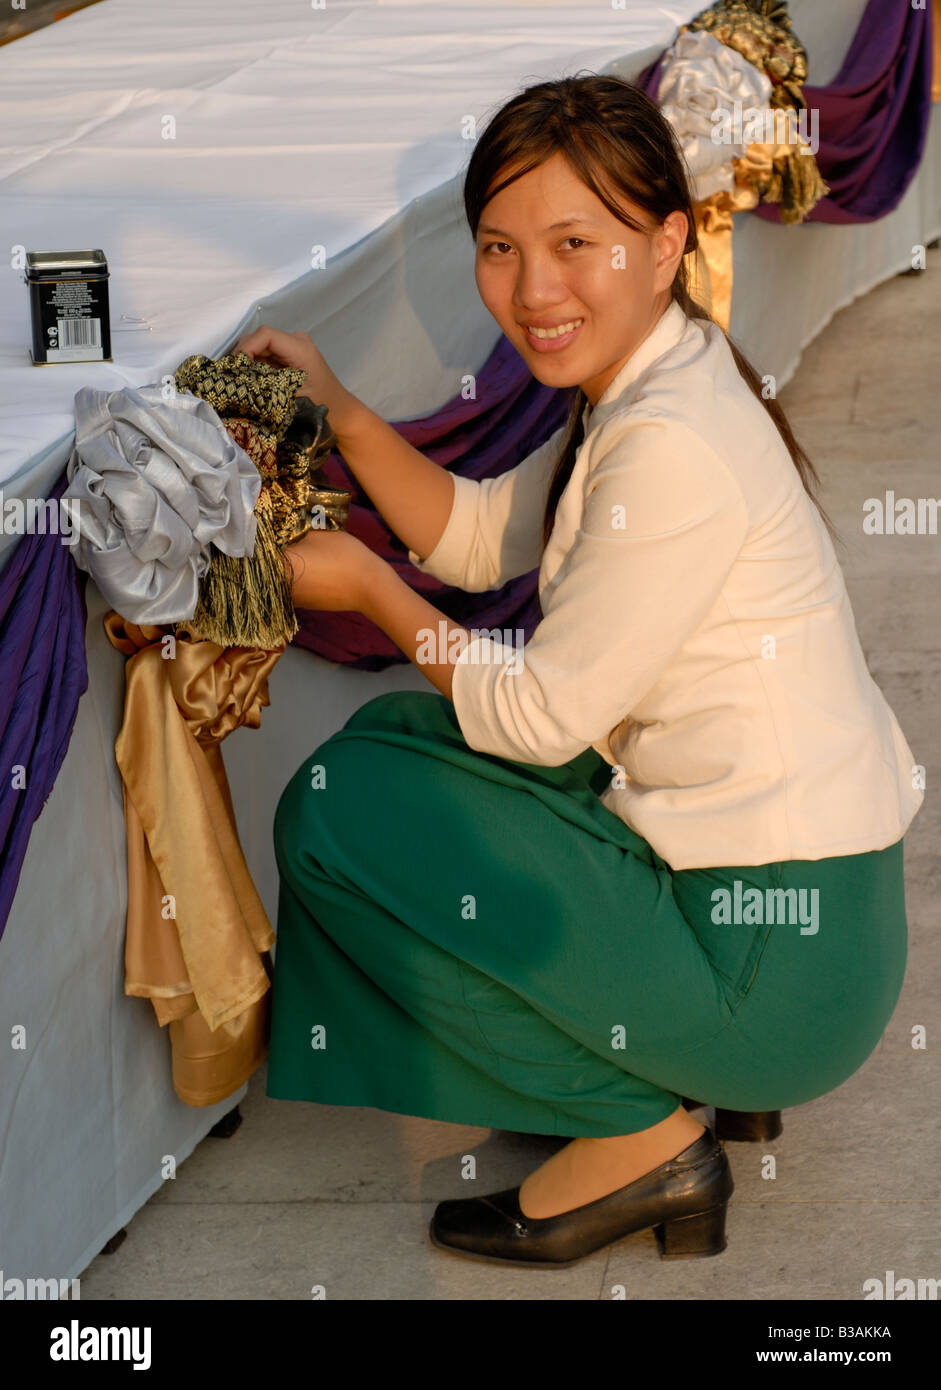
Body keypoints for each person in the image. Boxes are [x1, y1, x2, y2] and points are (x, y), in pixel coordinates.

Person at [235, 75, 922, 1270]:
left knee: (346, 815)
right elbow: (492, 530)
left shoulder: (667, 437)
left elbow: (542, 719)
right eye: (499, 249)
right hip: (796, 913)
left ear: (662, 245)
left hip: (778, 961)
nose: (531, 290)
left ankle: (642, 1136)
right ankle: (649, 1066)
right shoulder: (657, 376)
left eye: (572, 244)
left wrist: (371, 593)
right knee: (398, 743)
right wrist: (340, 414)